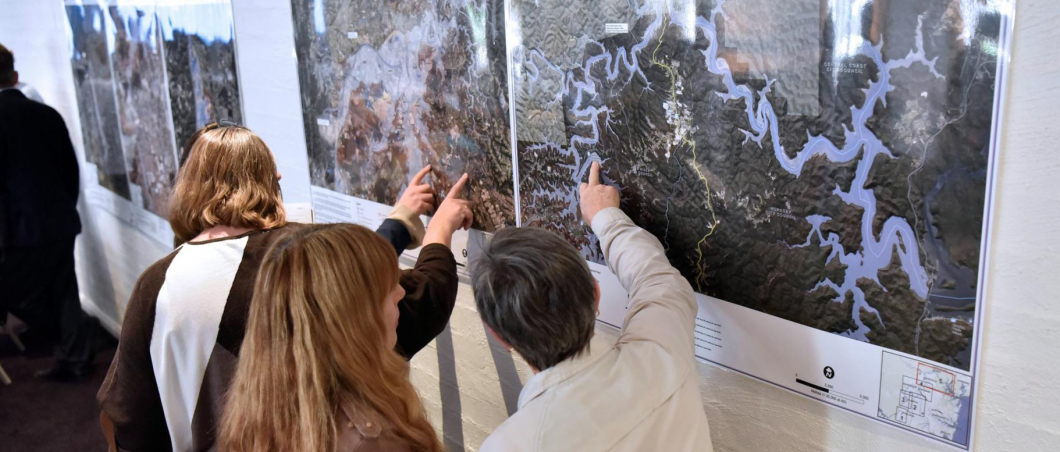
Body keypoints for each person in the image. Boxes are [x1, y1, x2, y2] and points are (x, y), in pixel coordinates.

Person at [98, 124, 471, 451]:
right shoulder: (291, 257)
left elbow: (128, 420)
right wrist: (438, 232)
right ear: (272, 180)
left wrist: (399, 222)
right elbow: (402, 300)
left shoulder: (155, 284)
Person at [471, 161, 713, 451]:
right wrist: (604, 216)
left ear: (499, 336)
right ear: (596, 294)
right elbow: (657, 278)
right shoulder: (662, 349)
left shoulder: (507, 445)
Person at [220, 223, 443, 451]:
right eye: (385, 289)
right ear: (351, 318)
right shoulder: (372, 441)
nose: (401, 292)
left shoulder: (261, 407)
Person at [0, 42, 97, 381]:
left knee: (22, 294)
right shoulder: (48, 115)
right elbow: (70, 170)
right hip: (59, 220)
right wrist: (64, 208)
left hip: (17, 231)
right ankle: (75, 356)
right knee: (64, 289)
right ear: (15, 76)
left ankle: (70, 344)